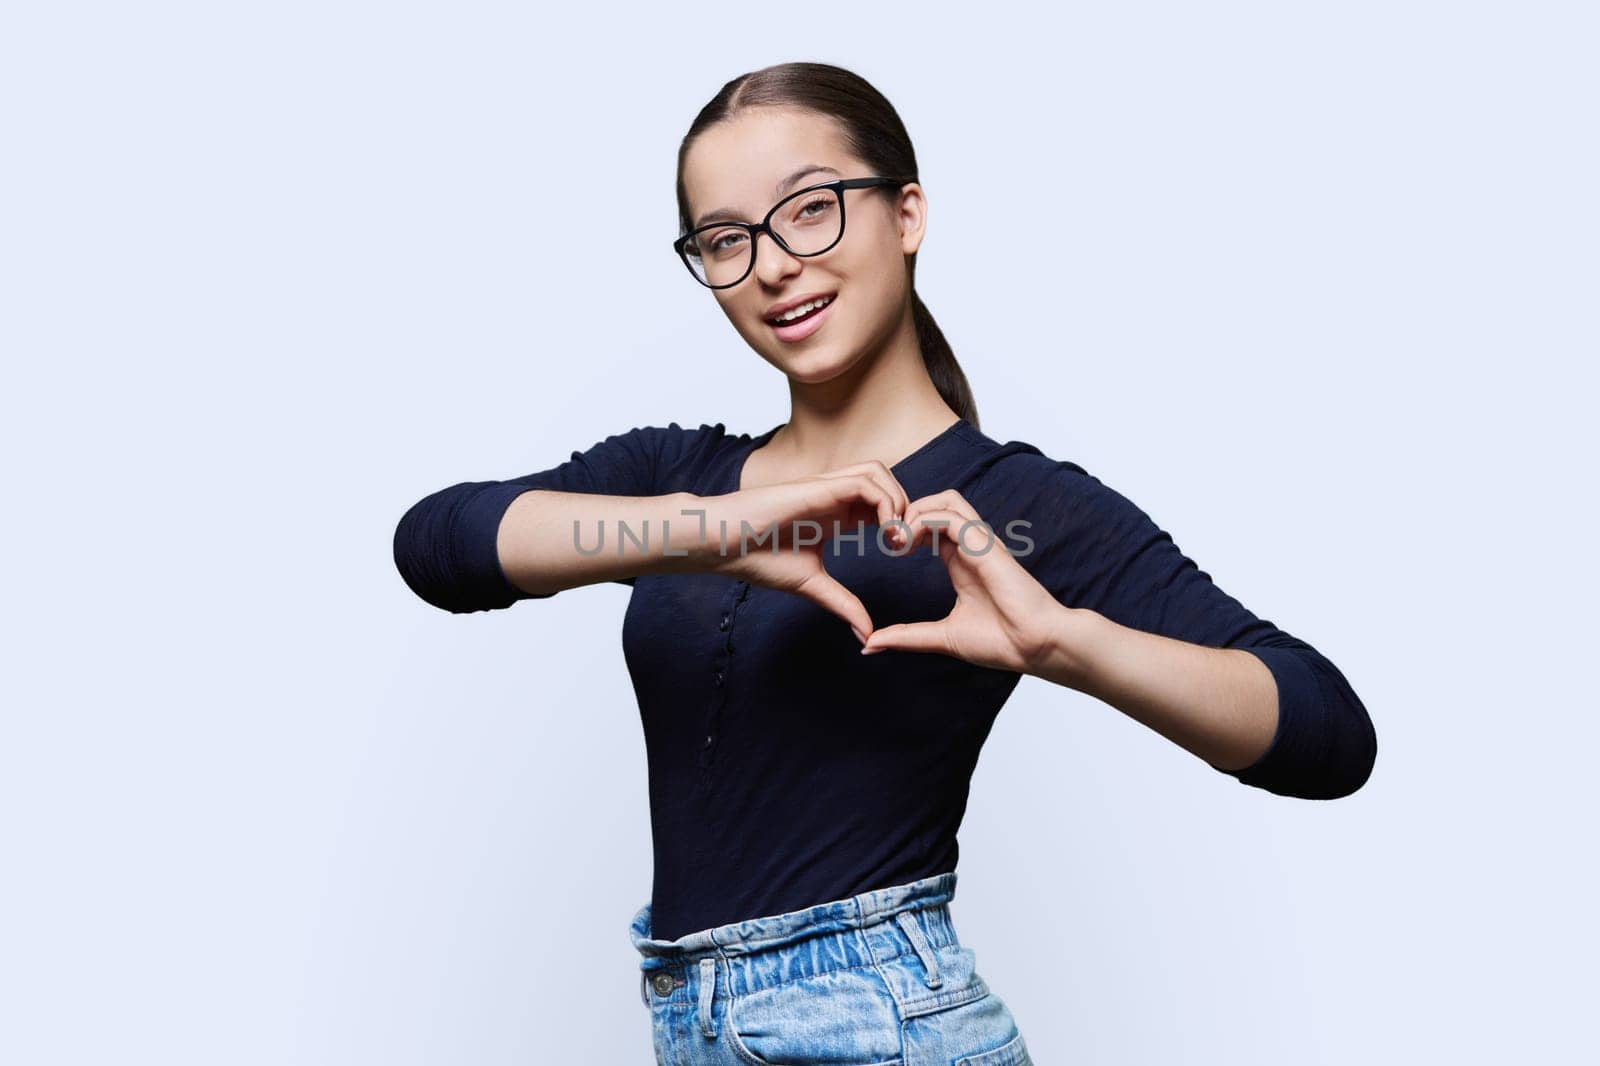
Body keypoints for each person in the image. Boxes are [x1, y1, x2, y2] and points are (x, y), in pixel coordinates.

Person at [392, 61, 1377, 1066]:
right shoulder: (674, 475)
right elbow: (439, 544)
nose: (772, 264)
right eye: (726, 239)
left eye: (810, 209)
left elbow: (1327, 731)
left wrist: (1067, 644)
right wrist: (707, 529)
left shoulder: (1015, 513)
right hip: (690, 1020)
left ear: (905, 214)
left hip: (886, 1024)